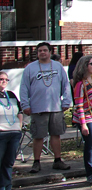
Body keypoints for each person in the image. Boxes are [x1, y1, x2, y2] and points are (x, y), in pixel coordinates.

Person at [20, 42, 72, 173]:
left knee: (56, 134)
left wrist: (66, 101)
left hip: (55, 107)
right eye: (39, 51)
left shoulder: (58, 66)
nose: (42, 53)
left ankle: (58, 160)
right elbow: (24, 87)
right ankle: (36, 162)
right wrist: (25, 104)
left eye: (44, 50)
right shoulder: (30, 68)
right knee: (38, 136)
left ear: (50, 52)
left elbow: (65, 85)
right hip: (38, 108)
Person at [0, 71, 22, 190]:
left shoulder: (11, 95)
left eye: (6, 79)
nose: (4, 81)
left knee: (8, 162)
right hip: (1, 133)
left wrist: (19, 126)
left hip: (13, 133)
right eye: (1, 79)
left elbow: (19, 110)